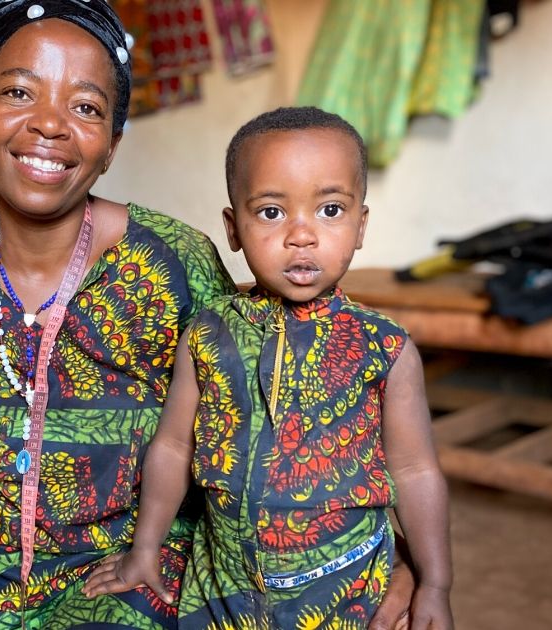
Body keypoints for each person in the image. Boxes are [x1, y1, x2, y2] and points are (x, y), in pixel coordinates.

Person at [0, 0, 416, 626]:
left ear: (111, 145)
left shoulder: (172, 263)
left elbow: (287, 423)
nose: (50, 124)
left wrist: (395, 559)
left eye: (86, 107)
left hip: (130, 578)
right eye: (20, 92)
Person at [83, 107, 453, 629]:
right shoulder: (208, 334)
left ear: (361, 224)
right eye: (272, 213)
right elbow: (172, 446)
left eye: (329, 209)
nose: (301, 235)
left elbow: (415, 471)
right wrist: (146, 548)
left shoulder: (384, 347)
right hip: (223, 585)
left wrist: (435, 583)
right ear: (233, 228)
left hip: (346, 586)